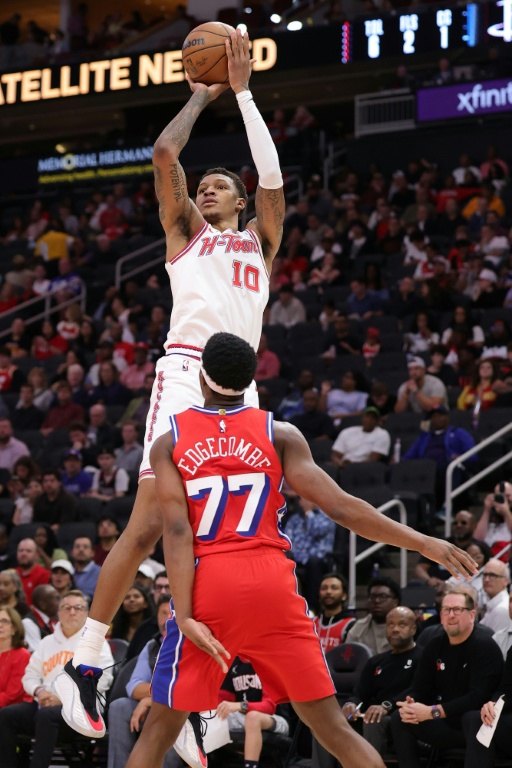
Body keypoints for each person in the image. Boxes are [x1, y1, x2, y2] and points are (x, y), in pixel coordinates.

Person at [57, 30, 285, 745]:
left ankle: (193, 694)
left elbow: (274, 180)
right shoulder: (186, 233)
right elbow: (164, 157)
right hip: (187, 374)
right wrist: (202, 92)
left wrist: (246, 95)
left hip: (240, 393)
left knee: (226, 543)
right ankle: (88, 658)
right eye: (203, 185)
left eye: (220, 184)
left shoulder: (261, 239)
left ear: (241, 200)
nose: (207, 188)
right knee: (150, 523)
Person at [113, 331, 475, 768]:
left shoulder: (169, 442)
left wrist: (186, 614)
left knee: (158, 733)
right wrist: (424, 542)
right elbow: (342, 507)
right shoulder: (279, 433)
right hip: (270, 581)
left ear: (201, 378)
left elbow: (175, 529)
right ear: (250, 383)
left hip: (209, 583)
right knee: (333, 729)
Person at [390, 586, 504, 768]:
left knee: (472, 718)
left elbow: (478, 698)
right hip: (443, 722)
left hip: (473, 727)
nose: (451, 615)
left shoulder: (484, 646)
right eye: (446, 610)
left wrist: (432, 711)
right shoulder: (435, 644)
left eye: (457, 610)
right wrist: (412, 703)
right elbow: (421, 687)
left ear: (472, 614)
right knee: (401, 718)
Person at [0, 591, 113, 768]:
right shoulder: (47, 642)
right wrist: (40, 691)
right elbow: (29, 675)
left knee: (47, 716)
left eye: (78, 608)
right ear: (58, 613)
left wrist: (63, 697)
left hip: (80, 711)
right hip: (44, 703)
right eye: (66, 608)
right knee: (6, 715)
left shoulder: (96, 644)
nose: (72, 612)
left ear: (86, 614)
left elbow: (104, 678)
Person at [107, 595, 181, 768]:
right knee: (120, 706)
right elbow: (134, 686)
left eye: (173, 613)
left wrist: (149, 700)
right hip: (155, 704)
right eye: (163, 613)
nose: (167, 618)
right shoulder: (152, 645)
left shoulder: (190, 643)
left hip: (181, 707)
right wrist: (156, 697)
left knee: (167, 711)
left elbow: (183, 690)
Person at [341, 607, 422, 756]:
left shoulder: (423, 657)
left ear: (413, 629)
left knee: (373, 720)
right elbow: (359, 693)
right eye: (391, 624)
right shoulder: (376, 661)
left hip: (402, 717)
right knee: (330, 723)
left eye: (402, 624)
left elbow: (418, 690)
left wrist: (386, 705)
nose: (395, 629)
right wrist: (351, 704)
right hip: (372, 714)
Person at [217, 656, 290, 767]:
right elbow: (223, 699)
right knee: (208, 715)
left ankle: (250, 765)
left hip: (275, 719)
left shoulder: (267, 663)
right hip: (243, 717)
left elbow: (270, 707)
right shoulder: (234, 664)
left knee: (253, 717)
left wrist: (241, 706)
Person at [402, 405, 477, 508]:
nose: (436, 419)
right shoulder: (425, 437)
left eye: (440, 415)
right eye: (434, 416)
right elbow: (408, 456)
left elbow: (473, 455)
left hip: (446, 469)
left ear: (447, 417)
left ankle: (447, 507)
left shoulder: (458, 433)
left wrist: (459, 457)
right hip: (426, 471)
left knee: (449, 468)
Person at [284, 497, 336, 611]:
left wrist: (309, 512)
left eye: (306, 498)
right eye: (301, 499)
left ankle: (312, 608)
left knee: (314, 562)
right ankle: (288, 608)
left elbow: (317, 531)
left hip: (318, 560)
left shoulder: (325, 516)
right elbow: (286, 539)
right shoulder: (294, 519)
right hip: (297, 559)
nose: (302, 501)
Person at [345, 577, 401, 655]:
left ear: (395, 602)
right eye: (372, 597)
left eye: (383, 596)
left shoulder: (405, 627)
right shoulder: (358, 627)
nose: (377, 601)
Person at [312, 572, 355, 652]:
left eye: (334, 588)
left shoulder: (351, 625)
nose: (328, 592)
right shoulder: (310, 623)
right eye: (324, 588)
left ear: (344, 596)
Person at [0, 606, 31, 708]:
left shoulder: (22, 655)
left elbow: (12, 694)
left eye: (4, 621)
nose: (0, 625)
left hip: (12, 709)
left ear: (14, 628)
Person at [22, 583, 59, 652]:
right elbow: (37, 652)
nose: (60, 603)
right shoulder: (28, 623)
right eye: (56, 599)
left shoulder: (56, 620)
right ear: (43, 605)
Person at [15, 539, 50, 605]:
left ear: (37, 555)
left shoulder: (44, 575)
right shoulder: (12, 573)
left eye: (28, 551)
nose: (23, 554)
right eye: (21, 550)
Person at [479, 558, 510, 633]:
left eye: (492, 575)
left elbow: (493, 642)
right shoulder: (492, 604)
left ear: (506, 581)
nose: (486, 579)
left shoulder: (502, 609)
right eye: (485, 575)